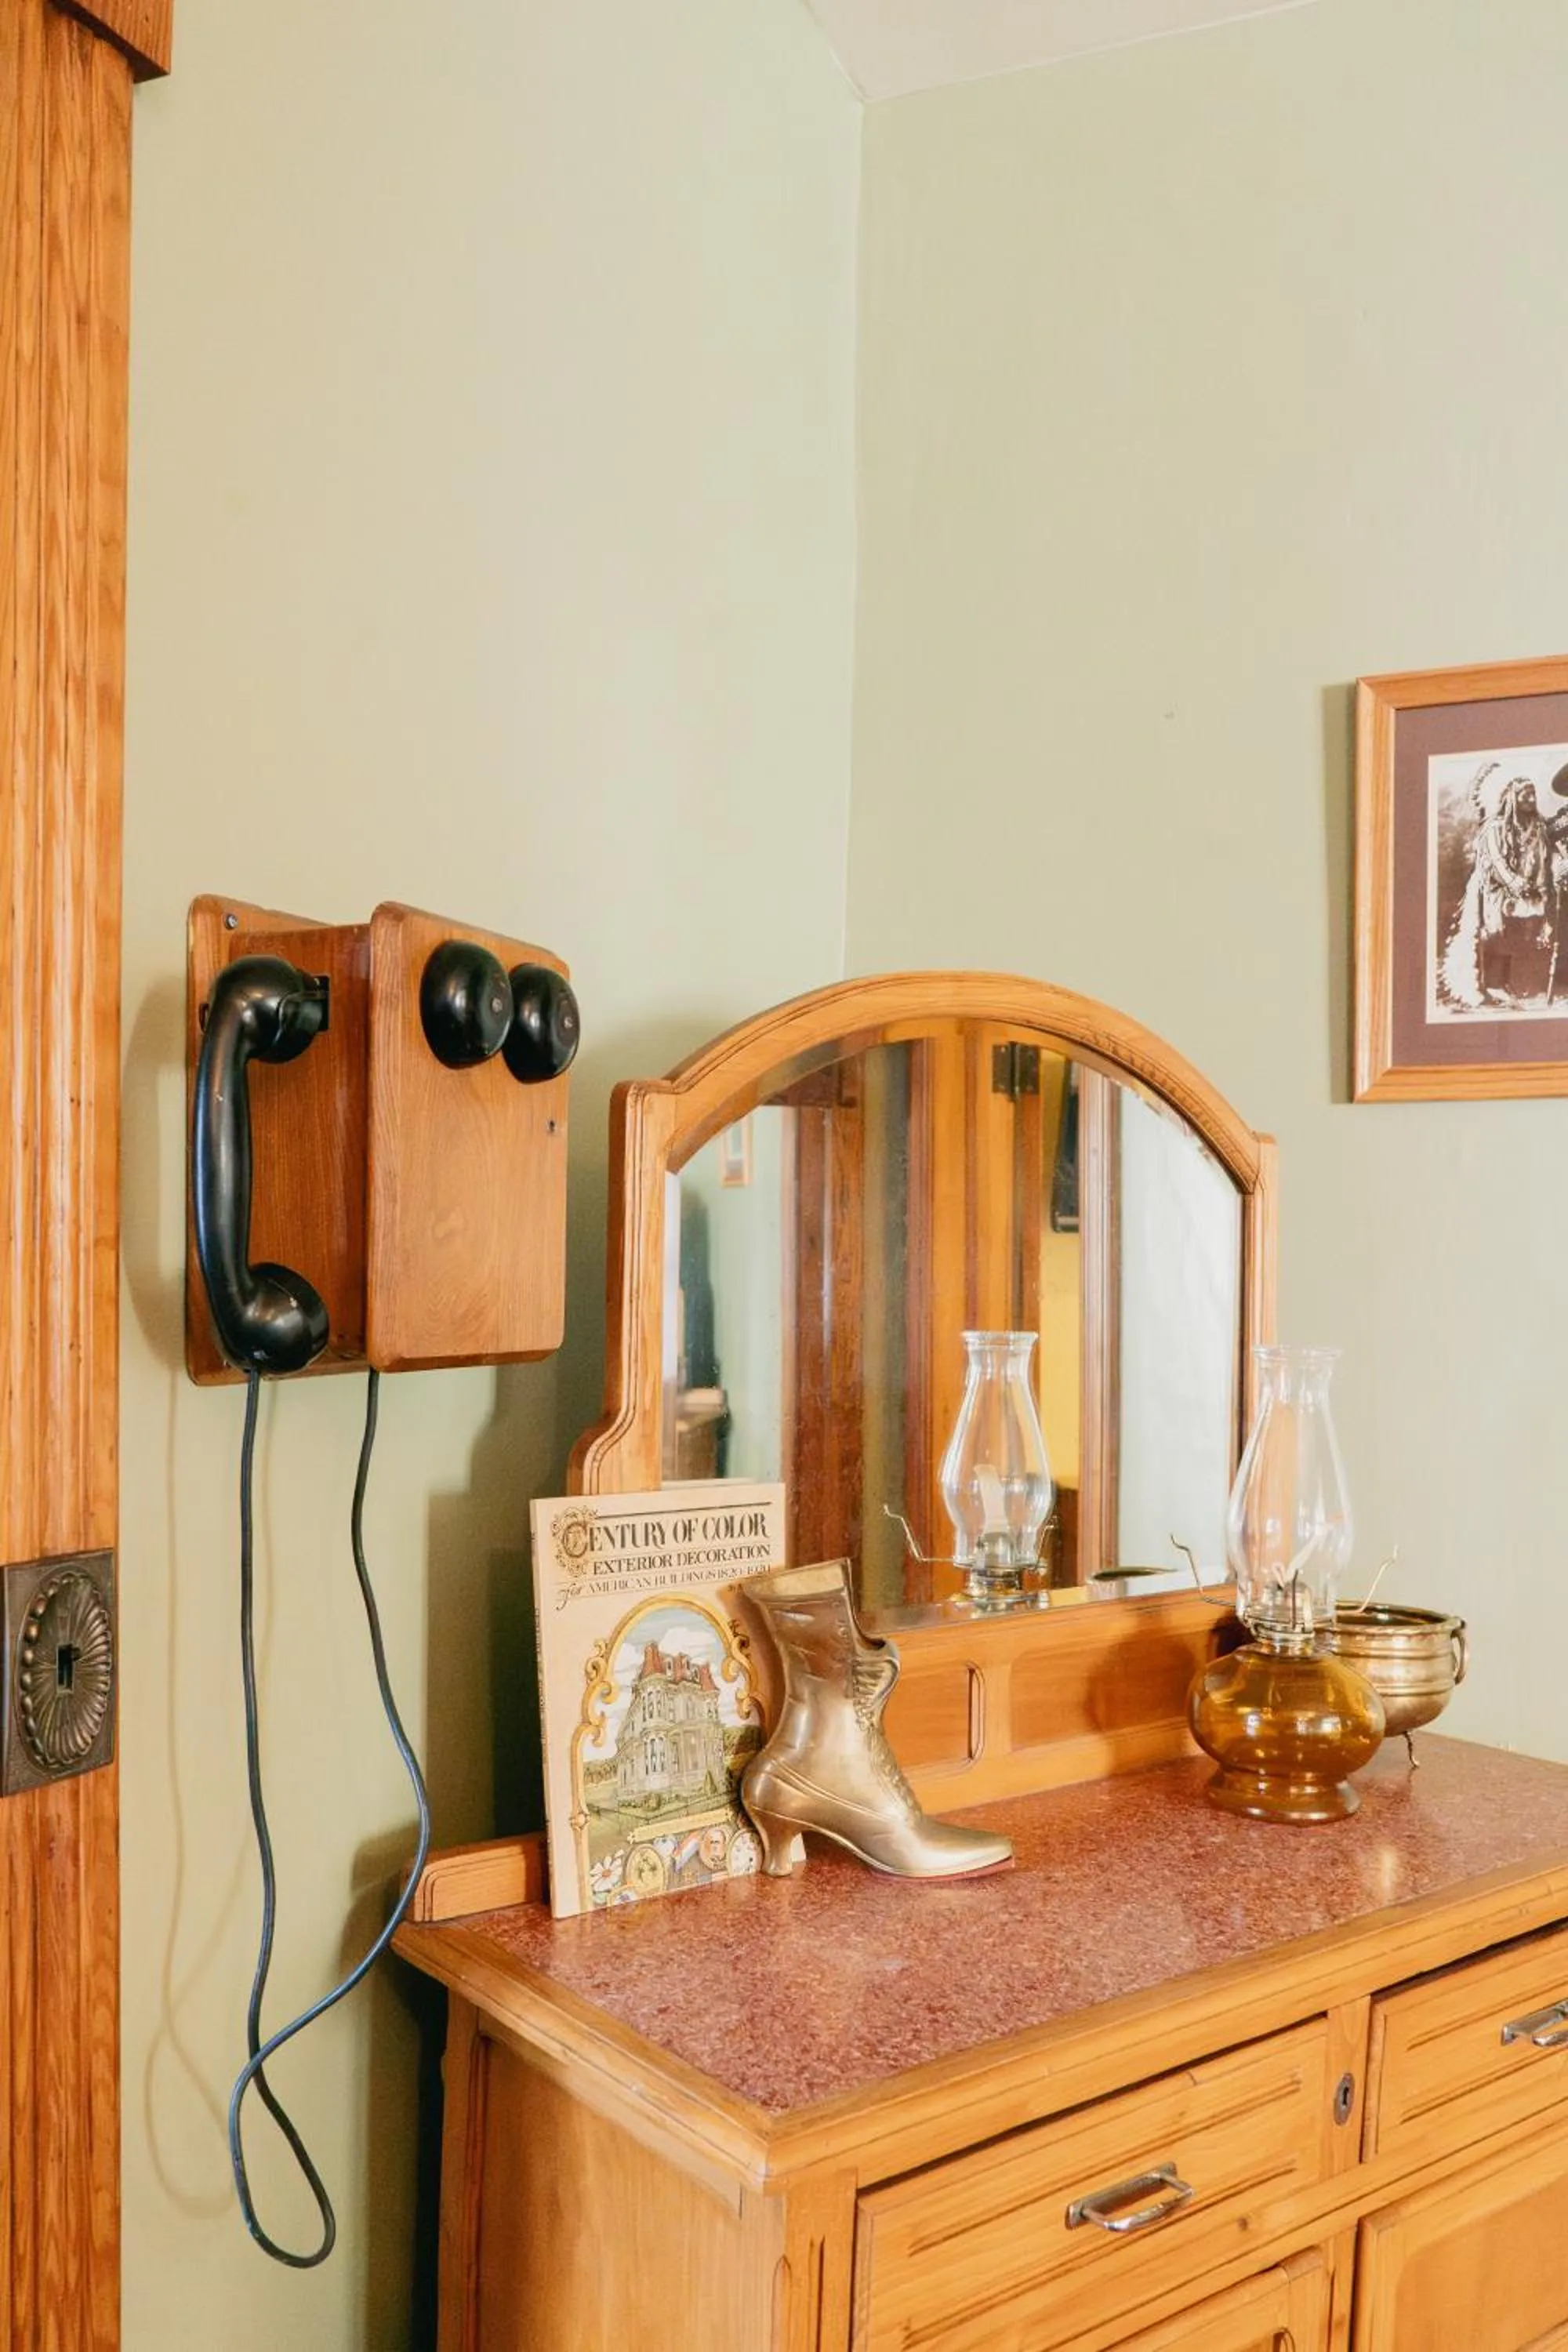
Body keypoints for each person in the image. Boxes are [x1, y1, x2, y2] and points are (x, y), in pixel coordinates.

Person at [1440, 774, 1556, 1010]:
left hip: (1522, 891)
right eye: (1526, 796)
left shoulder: (1537, 828)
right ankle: (1486, 984)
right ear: (1513, 799)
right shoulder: (1495, 828)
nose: (1532, 800)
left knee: (1512, 935)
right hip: (1492, 888)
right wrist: (1515, 883)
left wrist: (1537, 887)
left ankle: (1502, 983)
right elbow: (1495, 860)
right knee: (1490, 933)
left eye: (1533, 796)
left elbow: (1543, 860)